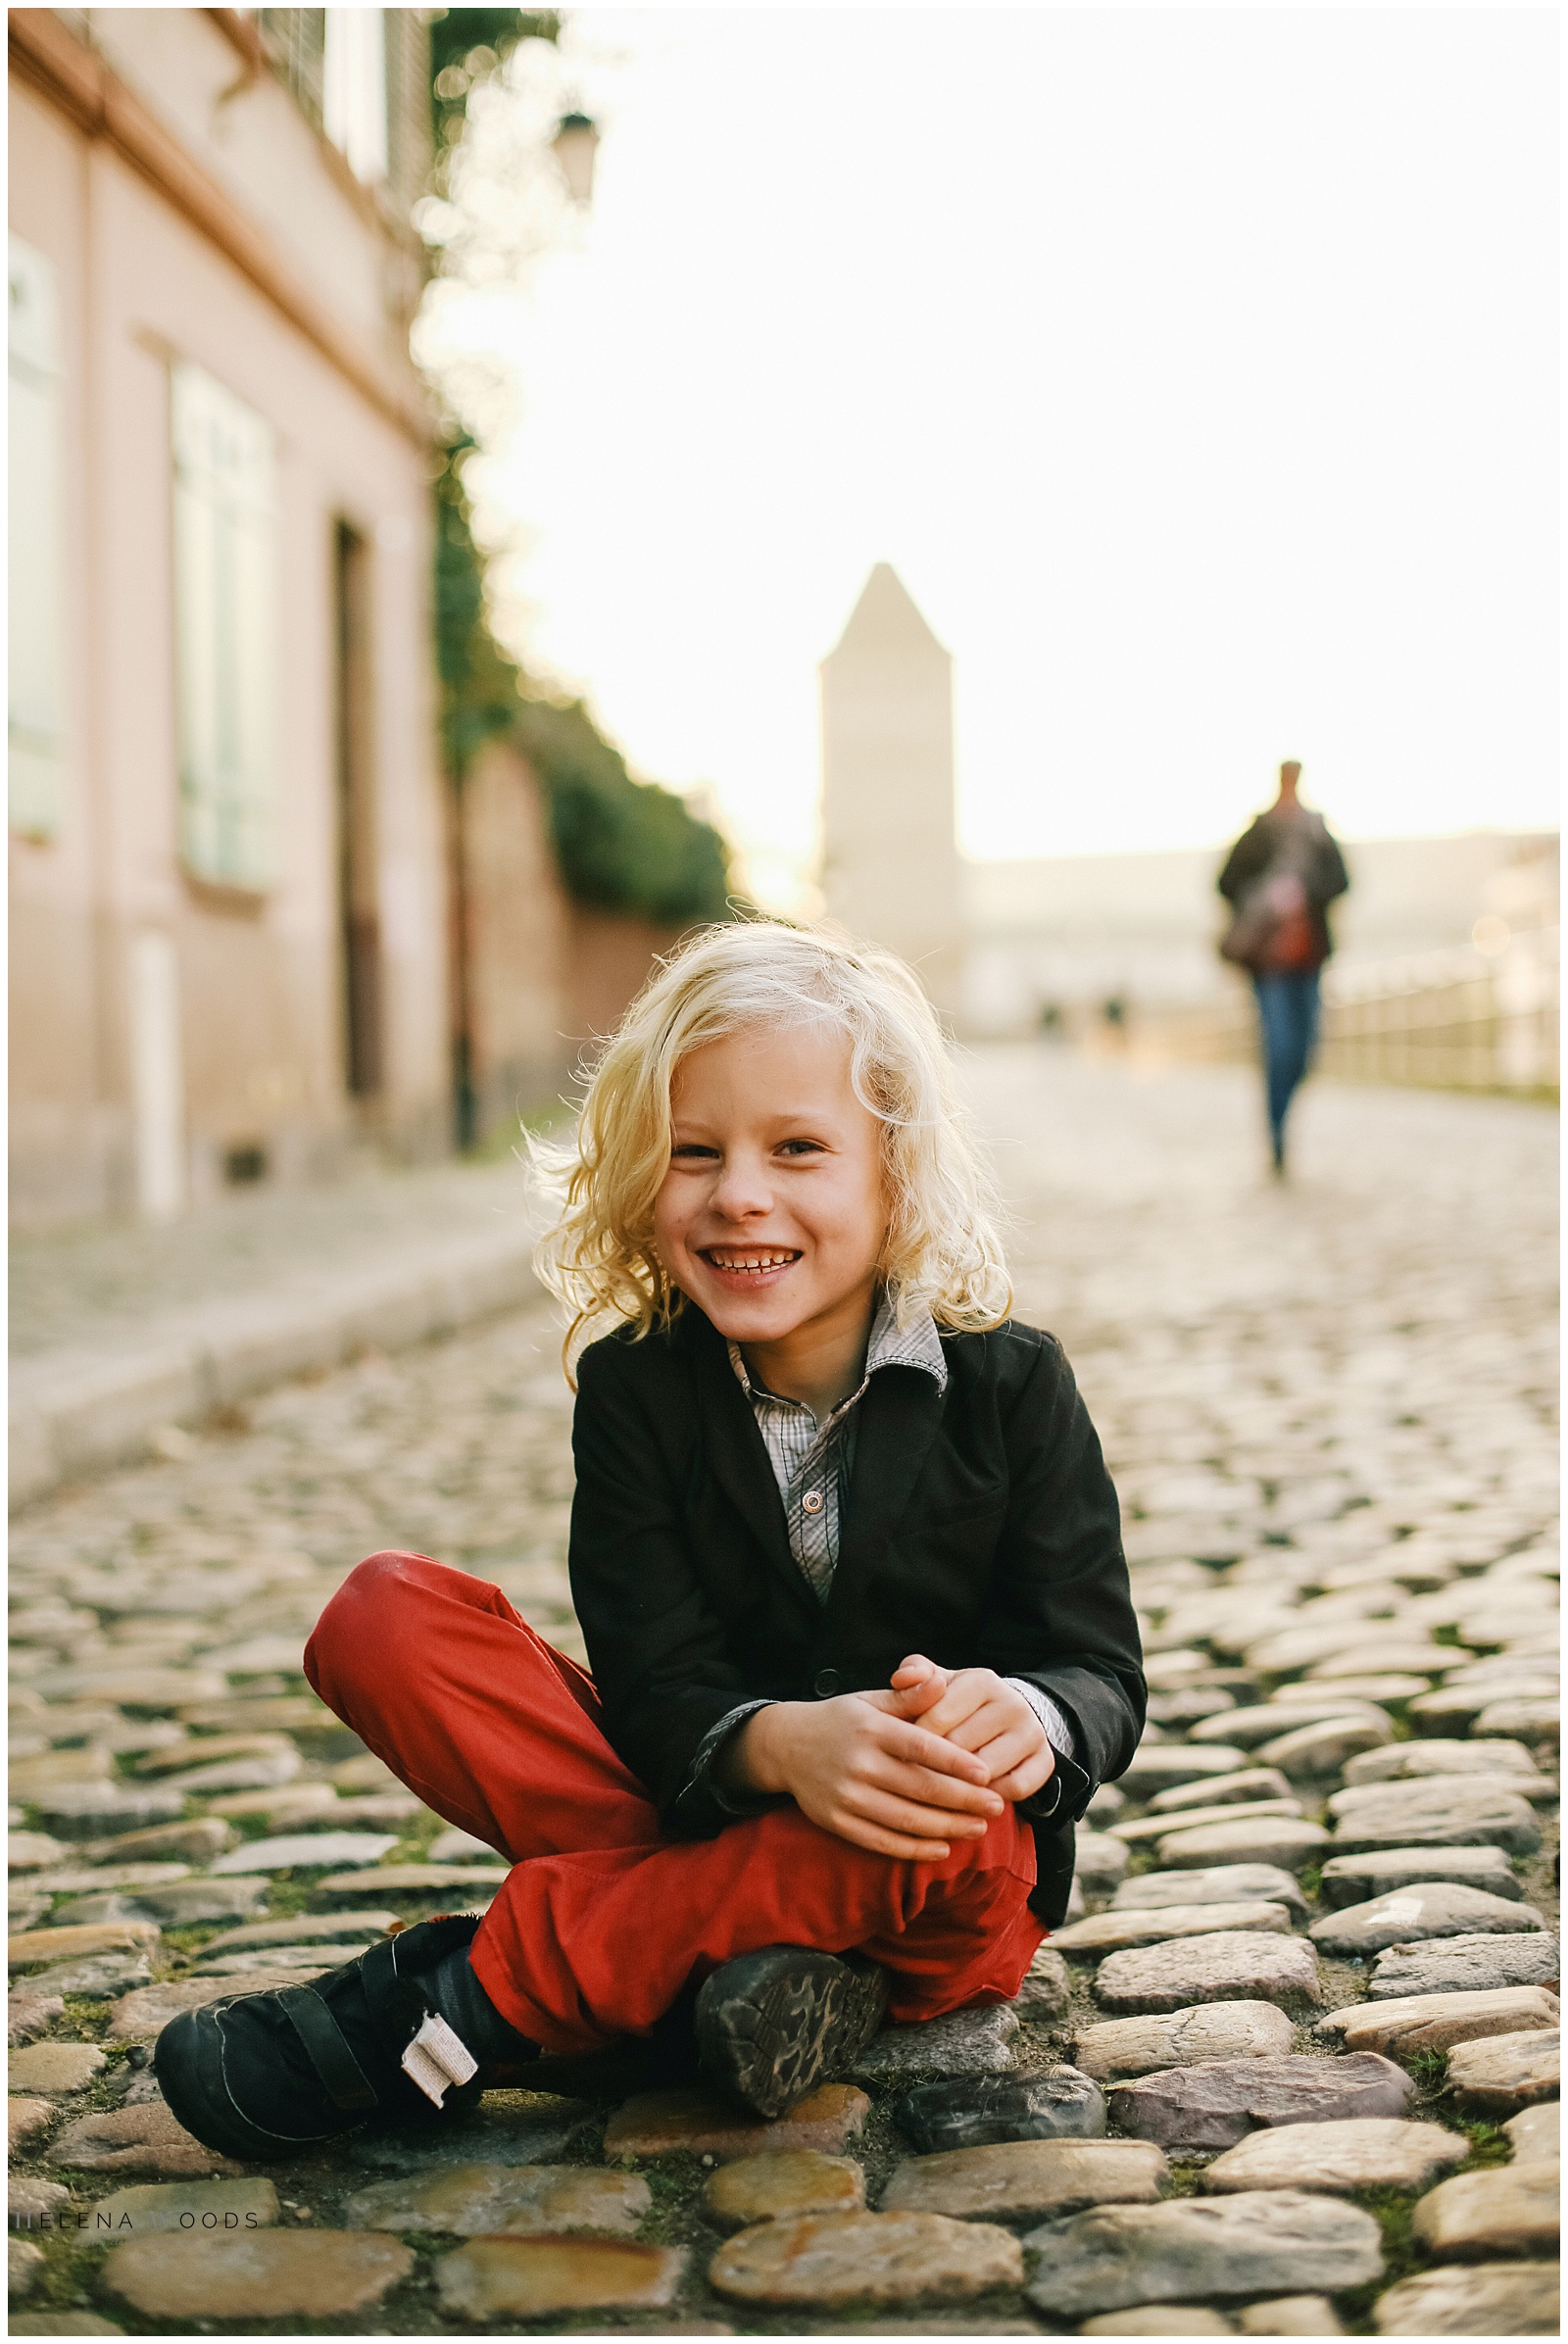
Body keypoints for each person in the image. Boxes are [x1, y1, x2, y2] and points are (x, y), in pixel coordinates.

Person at [154, 922, 1144, 2161]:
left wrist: (1029, 1719)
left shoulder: (1012, 1384)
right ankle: (723, 1986)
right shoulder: (636, 1389)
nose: (740, 1193)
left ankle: (461, 2004)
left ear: (895, 1175)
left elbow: (1100, 1671)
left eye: (797, 1148)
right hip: (703, 1812)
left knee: (953, 1806)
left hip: (935, 1877)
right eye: (693, 1151)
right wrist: (780, 1743)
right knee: (381, 1618)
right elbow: (654, 1682)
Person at [1218, 761, 1349, 1173]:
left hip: (1308, 958)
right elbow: (1225, 883)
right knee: (1279, 1047)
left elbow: (1342, 882)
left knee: (1306, 1050)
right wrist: (1265, 894)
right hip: (1269, 963)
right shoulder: (1257, 833)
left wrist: (1305, 892)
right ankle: (1275, 1132)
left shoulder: (1316, 831)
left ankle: (1282, 1114)